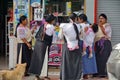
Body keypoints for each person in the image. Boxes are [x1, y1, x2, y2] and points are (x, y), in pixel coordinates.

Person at [29, 14, 56, 80]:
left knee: (37, 59)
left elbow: (37, 35)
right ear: (52, 20)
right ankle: (44, 75)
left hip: (38, 43)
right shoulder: (51, 26)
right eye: (54, 20)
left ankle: (36, 75)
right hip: (44, 44)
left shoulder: (43, 25)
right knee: (44, 59)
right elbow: (53, 37)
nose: (54, 21)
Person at [59, 13, 82, 80]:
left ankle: (65, 77)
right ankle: (76, 77)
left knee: (66, 63)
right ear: (76, 19)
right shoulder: (79, 26)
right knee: (76, 63)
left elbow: (60, 37)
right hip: (76, 46)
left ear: (69, 19)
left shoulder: (64, 26)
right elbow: (81, 37)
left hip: (67, 46)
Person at [78, 14, 97, 79]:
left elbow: (81, 34)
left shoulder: (80, 25)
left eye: (79, 19)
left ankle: (82, 73)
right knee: (89, 59)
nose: (78, 20)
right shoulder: (90, 26)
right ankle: (88, 73)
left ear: (81, 19)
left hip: (83, 43)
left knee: (82, 59)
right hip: (90, 44)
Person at [94, 13, 112, 77]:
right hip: (98, 43)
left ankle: (103, 73)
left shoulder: (107, 26)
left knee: (104, 58)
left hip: (105, 43)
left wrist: (101, 26)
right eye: (99, 18)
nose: (100, 19)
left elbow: (105, 33)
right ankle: (98, 72)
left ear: (105, 19)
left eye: (102, 18)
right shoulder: (97, 26)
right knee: (98, 58)